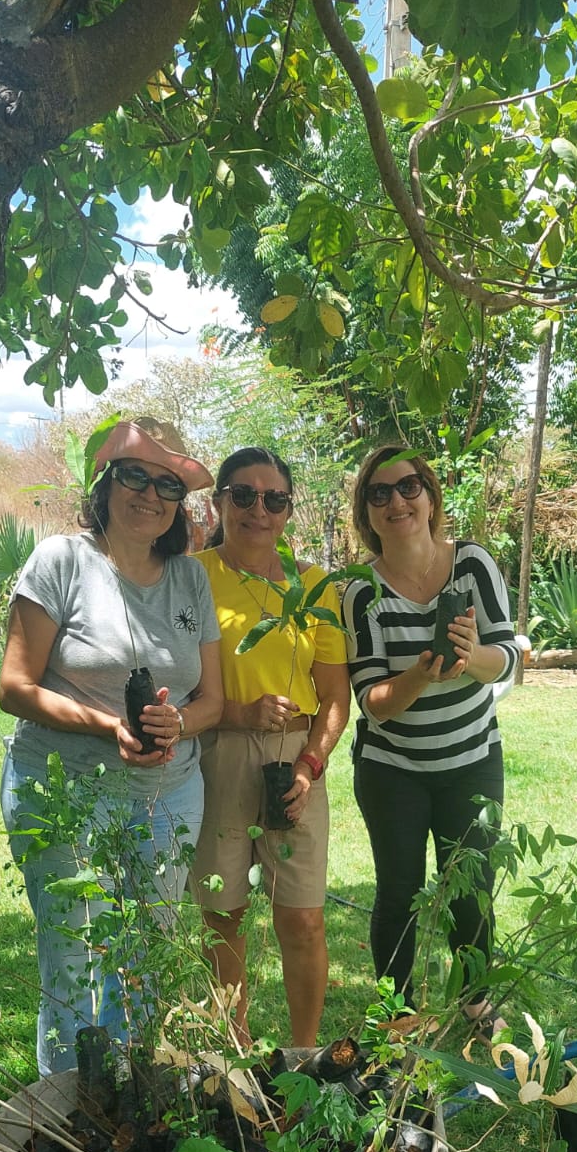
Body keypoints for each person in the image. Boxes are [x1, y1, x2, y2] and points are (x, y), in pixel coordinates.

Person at [0, 418, 223, 1074]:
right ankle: (65, 1121)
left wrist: (179, 725)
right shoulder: (61, 561)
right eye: (134, 475)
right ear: (105, 484)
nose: (150, 495)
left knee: (146, 959)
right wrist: (106, 727)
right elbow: (14, 687)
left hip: (168, 795)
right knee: (73, 960)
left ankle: (128, 1111)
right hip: (67, 790)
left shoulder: (190, 580)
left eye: (167, 485)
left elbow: (213, 700)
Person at [342, 443, 523, 1030]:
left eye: (408, 486)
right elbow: (373, 706)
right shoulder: (358, 592)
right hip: (391, 767)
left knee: (471, 885)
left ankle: (476, 1002)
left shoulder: (472, 564)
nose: (397, 500)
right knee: (398, 890)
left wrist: (471, 660)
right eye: (380, 493)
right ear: (367, 513)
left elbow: (510, 660)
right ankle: (395, 1012)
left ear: (430, 495)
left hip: (472, 757)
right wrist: (421, 673)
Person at [190, 447, 350, 1049]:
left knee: (303, 918)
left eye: (274, 498)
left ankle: (304, 1055)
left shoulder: (314, 586)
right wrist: (239, 712)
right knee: (223, 915)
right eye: (244, 495)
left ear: (288, 509)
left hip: (296, 759)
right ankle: (234, 1055)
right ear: (219, 501)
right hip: (218, 754)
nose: (260, 509)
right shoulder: (193, 575)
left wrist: (311, 766)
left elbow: (336, 695)